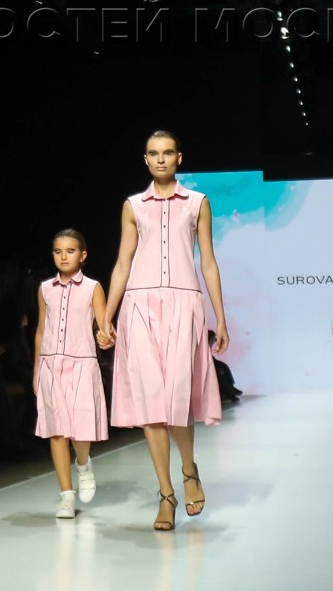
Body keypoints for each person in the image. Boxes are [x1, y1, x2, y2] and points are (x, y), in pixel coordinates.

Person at [98, 130, 228, 531]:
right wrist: (107, 316)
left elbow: (208, 261)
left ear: (178, 158)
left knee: (177, 399)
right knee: (151, 402)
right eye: (153, 153)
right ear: (145, 159)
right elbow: (123, 263)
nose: (160, 159)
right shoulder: (133, 206)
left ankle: (189, 470)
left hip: (184, 304)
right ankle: (166, 494)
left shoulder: (198, 203)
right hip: (139, 305)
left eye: (167, 153)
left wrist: (220, 317)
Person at [35, 228, 112, 519]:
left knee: (80, 428)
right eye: (58, 251)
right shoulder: (45, 289)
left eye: (70, 251)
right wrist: (36, 369)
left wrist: (106, 337)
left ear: (83, 255)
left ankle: (83, 464)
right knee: (57, 431)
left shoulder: (93, 287)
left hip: (82, 363)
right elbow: (40, 330)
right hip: (51, 364)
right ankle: (66, 496)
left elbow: (103, 325)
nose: (63, 257)